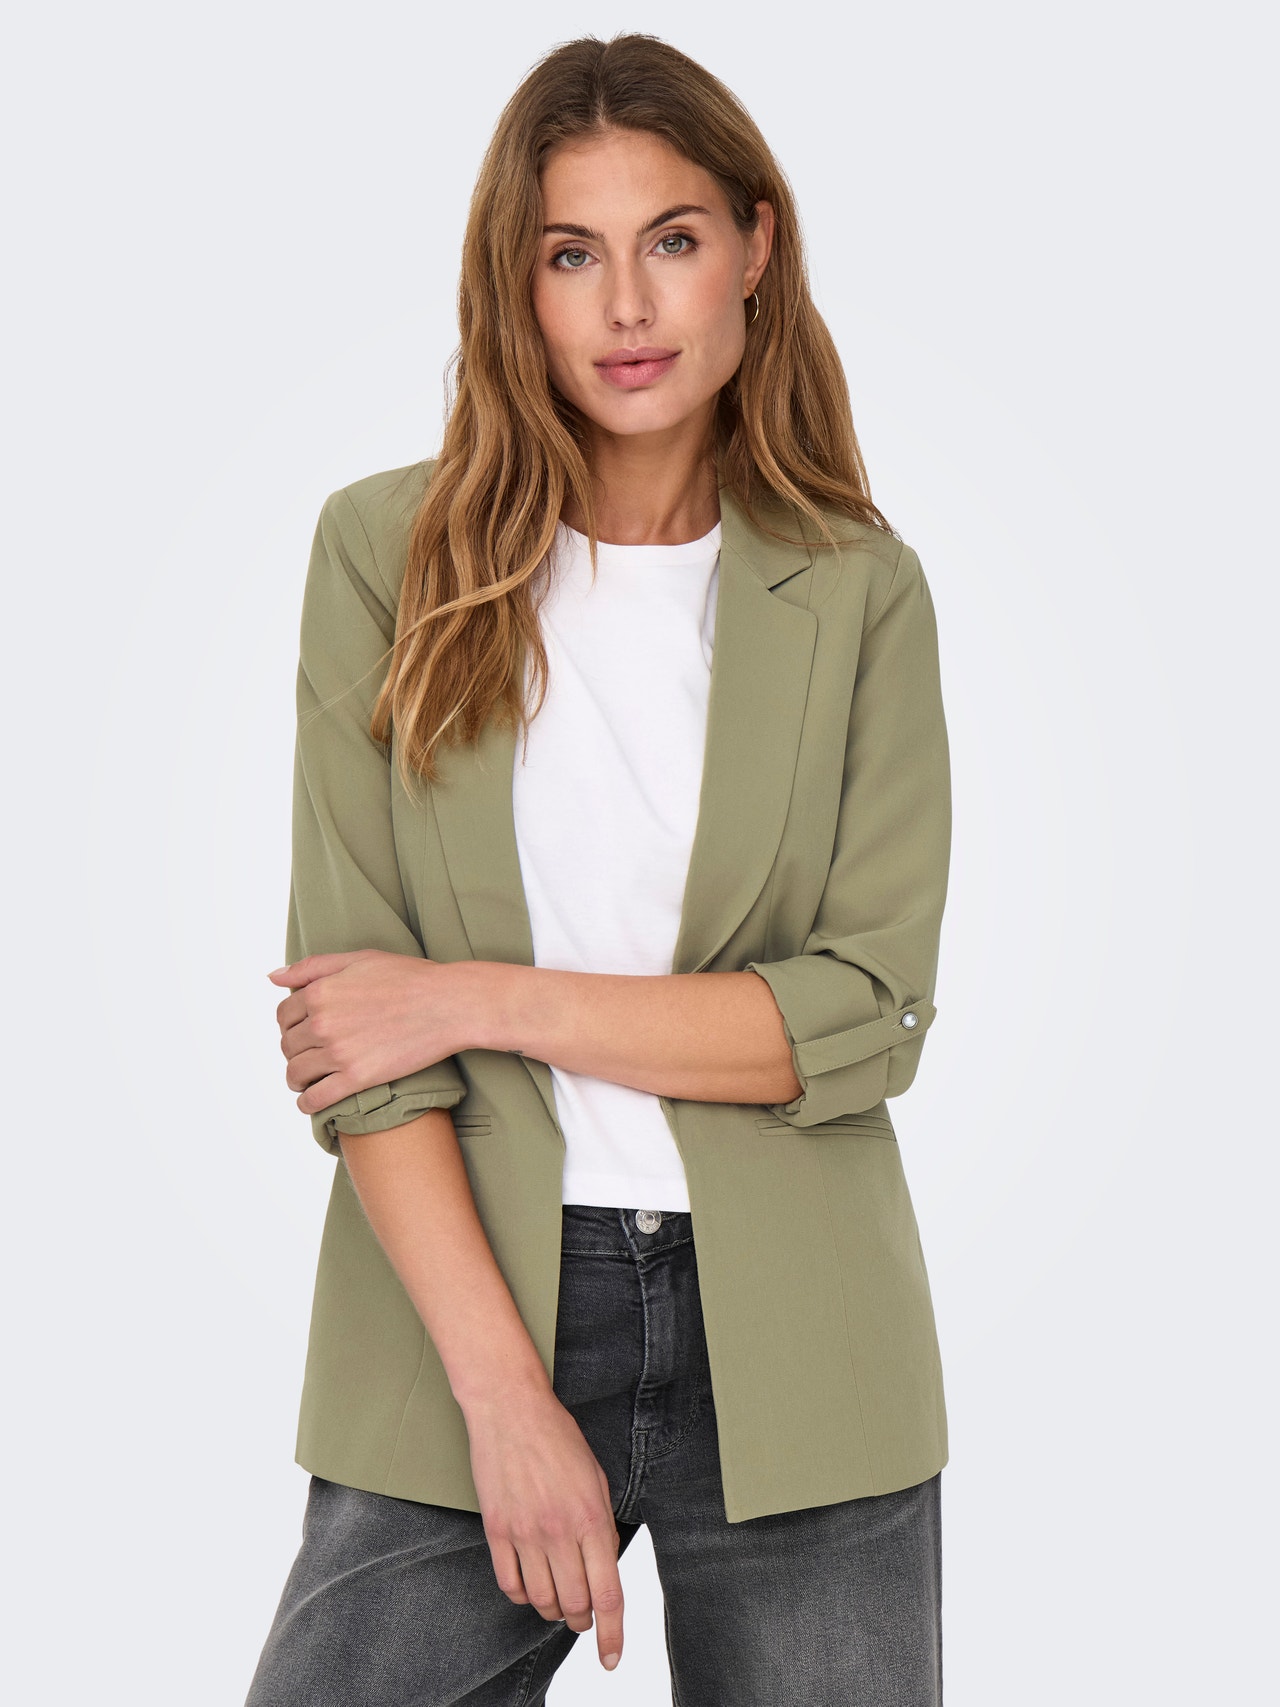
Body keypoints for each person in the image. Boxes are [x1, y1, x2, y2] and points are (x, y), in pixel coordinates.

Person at [245, 31, 952, 1707]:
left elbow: (860, 1020)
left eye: (673, 241)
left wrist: (474, 999)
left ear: (755, 248)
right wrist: (504, 1399)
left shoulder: (860, 590)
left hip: (806, 1334)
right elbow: (355, 1040)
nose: (627, 307)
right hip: (463, 1313)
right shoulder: (387, 556)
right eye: (572, 254)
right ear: (519, 282)